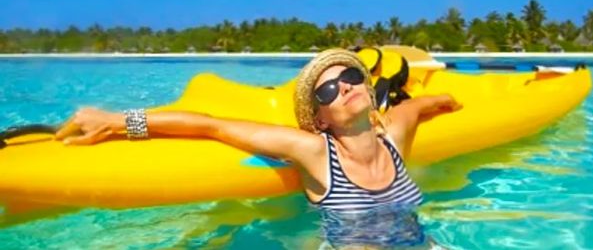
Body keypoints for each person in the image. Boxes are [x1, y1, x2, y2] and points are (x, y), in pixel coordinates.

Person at [56, 49, 462, 248]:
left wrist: (452, 101)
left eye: (352, 76)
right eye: (327, 89)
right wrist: (117, 121)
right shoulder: (316, 153)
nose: (345, 87)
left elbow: (424, 104)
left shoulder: (394, 138)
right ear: (320, 118)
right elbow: (211, 126)